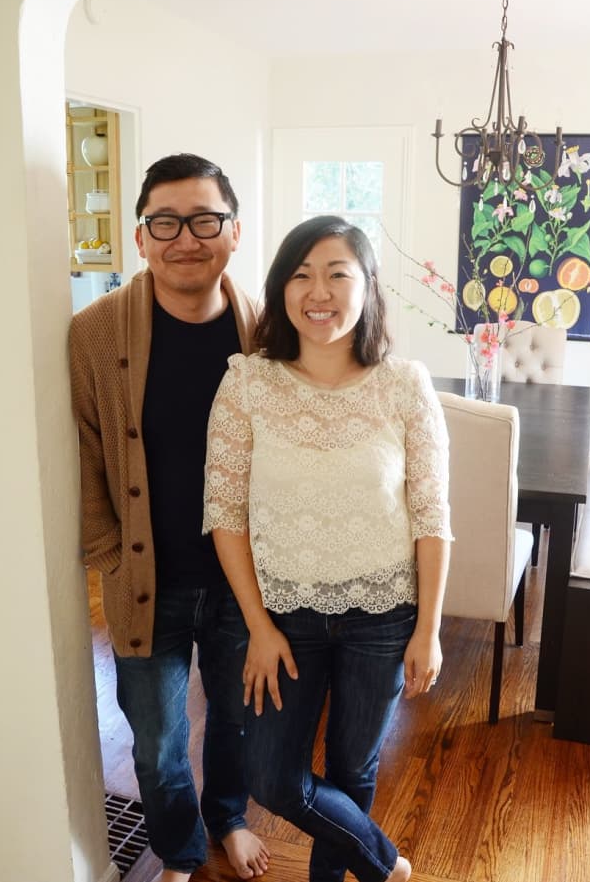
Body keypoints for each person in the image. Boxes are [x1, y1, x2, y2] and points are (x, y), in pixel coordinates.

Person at [202, 215, 452, 882]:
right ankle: (383, 863)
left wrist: (428, 628)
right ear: (282, 288)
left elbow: (432, 514)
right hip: (284, 614)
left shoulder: (405, 385)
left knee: (353, 767)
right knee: (271, 777)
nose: (320, 290)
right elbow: (224, 513)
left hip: (385, 612)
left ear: (368, 287)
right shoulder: (247, 383)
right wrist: (257, 625)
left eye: (338, 273)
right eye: (301, 273)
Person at [69, 153, 270, 882]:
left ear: (235, 231)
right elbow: (86, 450)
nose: (187, 238)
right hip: (146, 575)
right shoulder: (94, 334)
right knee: (154, 739)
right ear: (141, 237)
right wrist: (109, 553)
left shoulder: (267, 333)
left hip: (243, 576)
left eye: (205, 219)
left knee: (238, 715)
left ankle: (230, 815)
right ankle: (180, 849)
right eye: (166, 222)